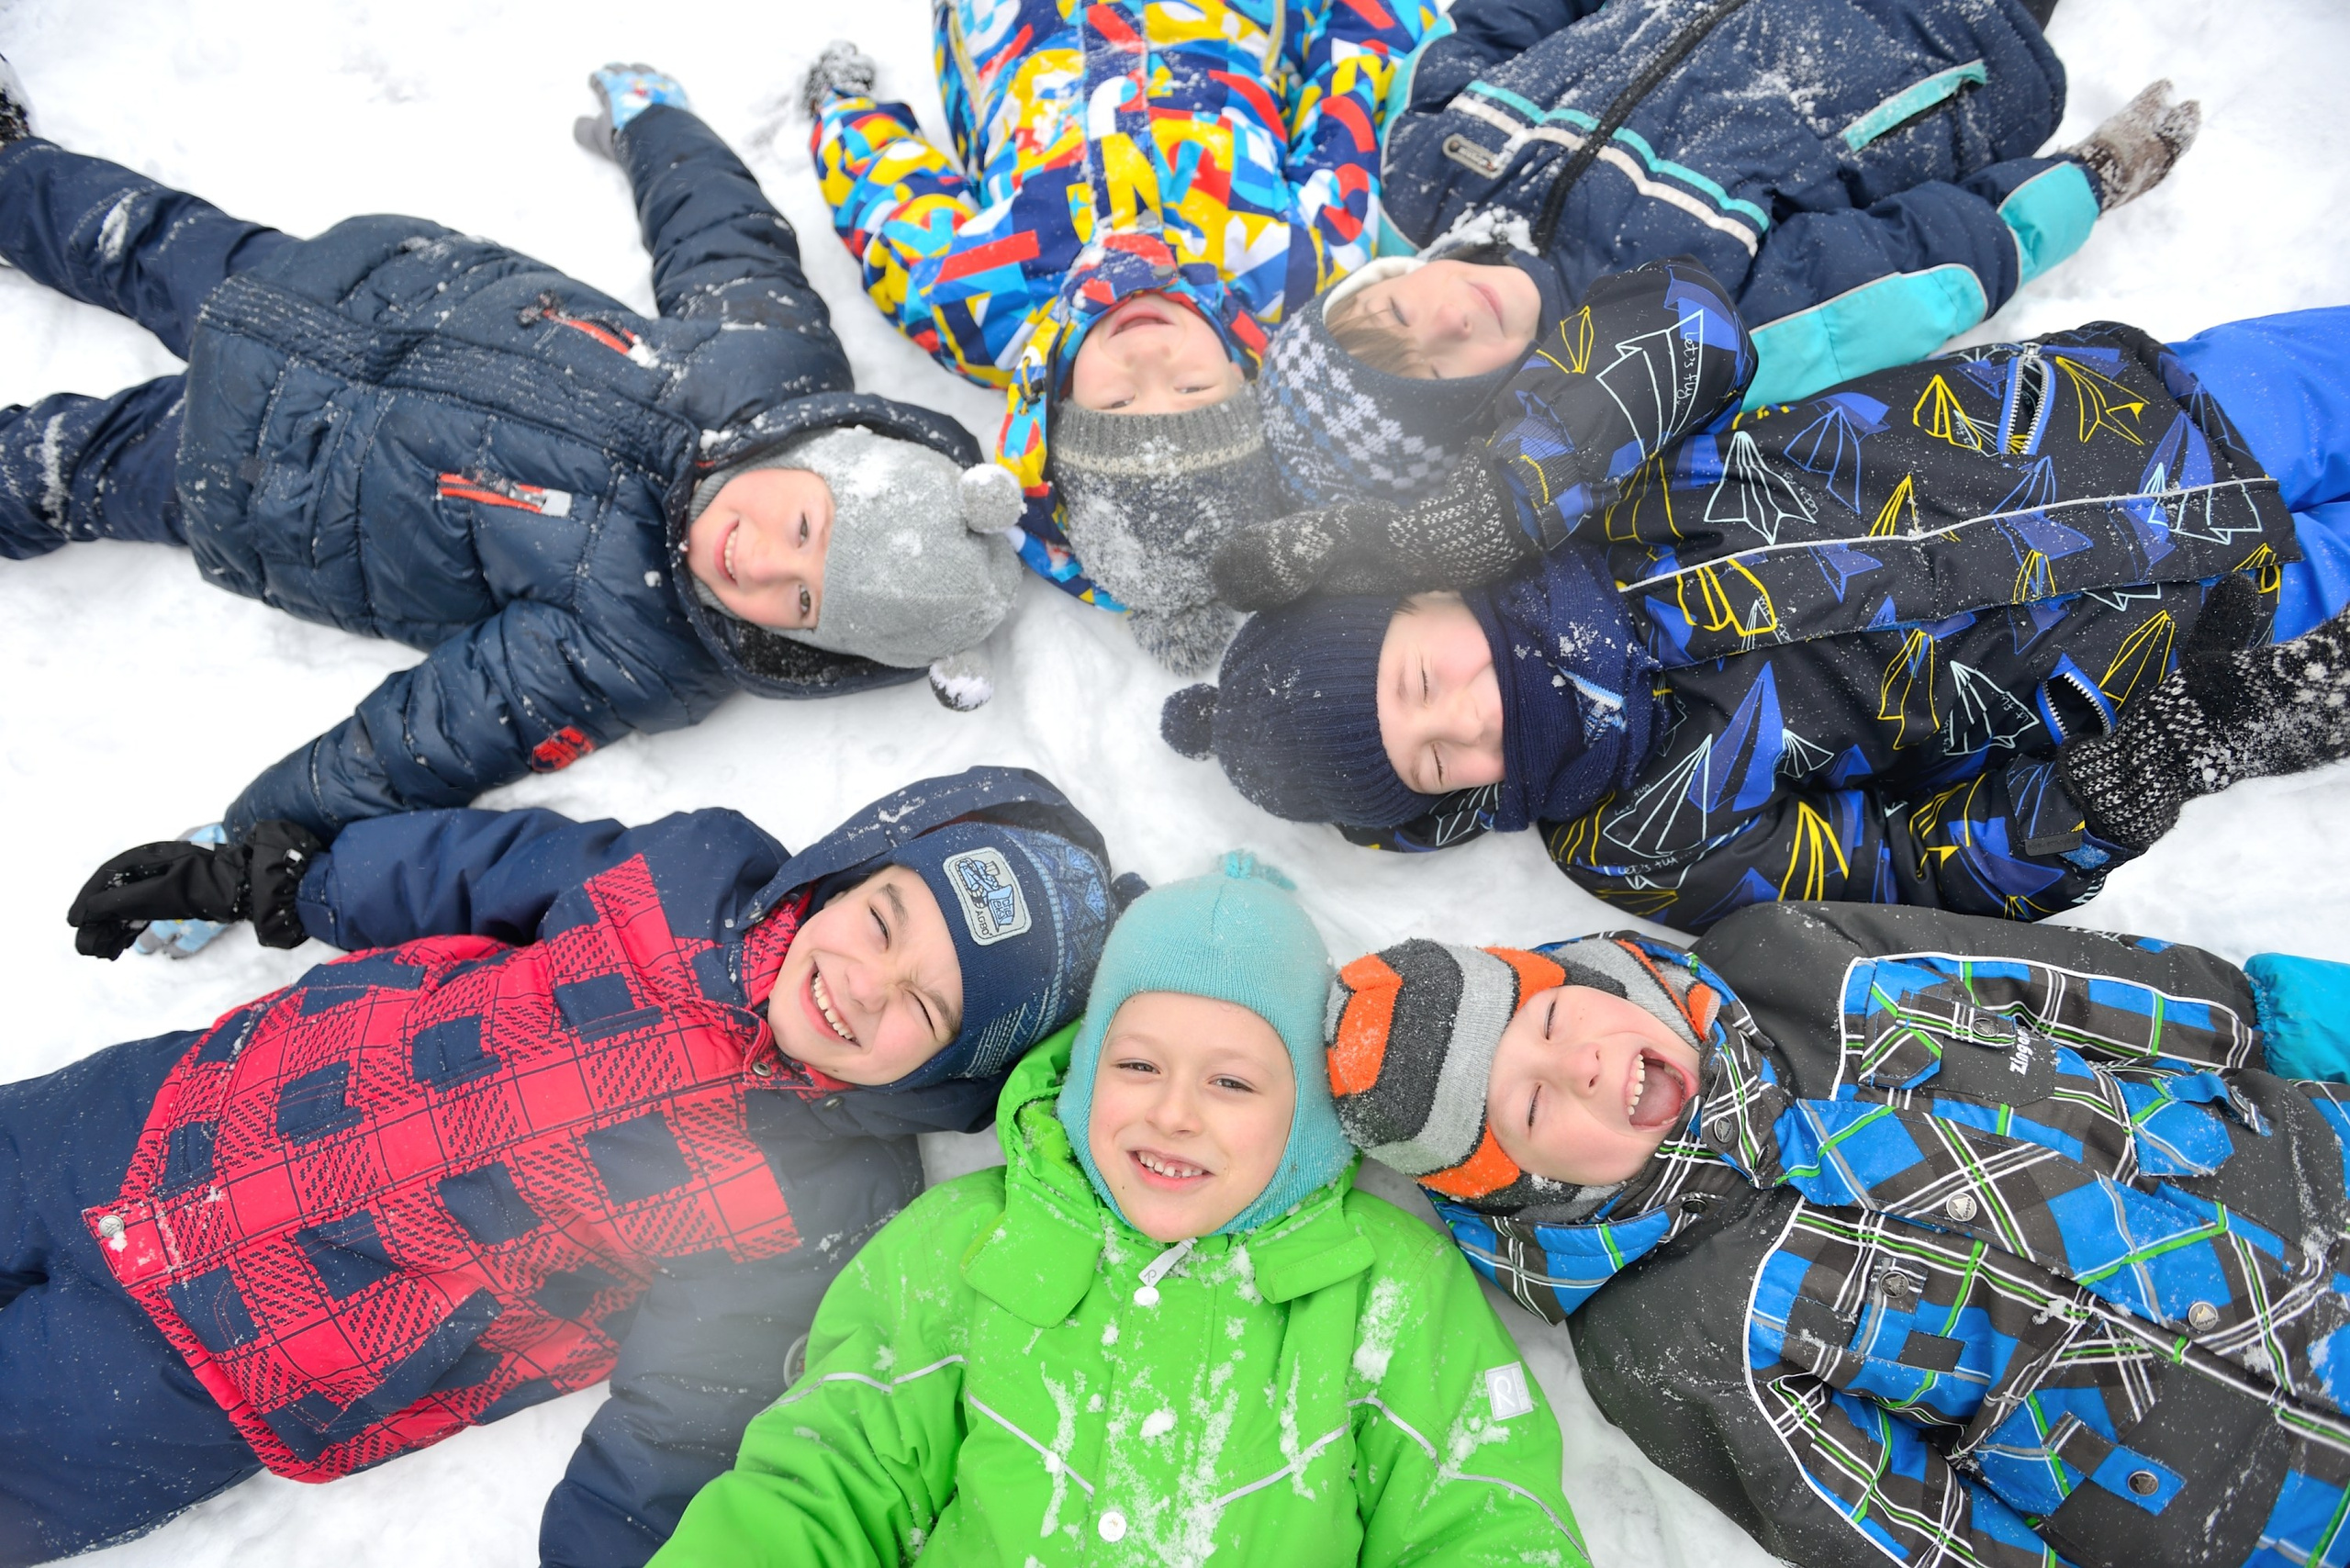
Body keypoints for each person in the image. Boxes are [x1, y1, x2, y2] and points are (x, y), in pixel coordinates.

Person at [0, 62, 1026, 956]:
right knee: (140, 236)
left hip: (261, 474)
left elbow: (430, 737)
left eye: (798, 604)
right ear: (823, 455)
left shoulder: (637, 644)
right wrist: (657, 124)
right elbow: (720, 230)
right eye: (803, 530)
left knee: (66, 467)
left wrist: (247, 843)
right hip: (343, 288)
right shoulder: (770, 361)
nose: (756, 565)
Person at [4, 767, 1122, 1567]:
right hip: (162, 1116)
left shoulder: (815, 1203)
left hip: (232, 1358)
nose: (865, 985)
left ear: (947, 1073)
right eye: (883, 920)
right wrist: (262, 881)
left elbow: (682, 1415)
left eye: (922, 1007)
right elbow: (476, 871)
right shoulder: (687, 872)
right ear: (846, 875)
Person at [1167, 258, 2350, 931]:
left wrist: (1506, 502)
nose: (1462, 720)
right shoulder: (1631, 837)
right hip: (2218, 631)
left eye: (1418, 682)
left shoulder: (1584, 500)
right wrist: (2116, 787)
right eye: (1431, 761)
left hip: (2167, 412)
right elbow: (1908, 872)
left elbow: (1684, 322)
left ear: (1425, 598)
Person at [1322, 902, 2350, 1567]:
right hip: (2256, 1498)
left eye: (1550, 1027)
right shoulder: (1668, 1334)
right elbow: (1896, 1526)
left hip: (2311, 1176)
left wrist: (2269, 1020)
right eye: (1534, 1111)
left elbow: (2054, 985)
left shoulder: (1794, 967)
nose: (1581, 1069)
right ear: (1528, 1196)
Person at [651, 854, 1585, 1567]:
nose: (1172, 1112)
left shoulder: (1383, 1285)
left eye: (1231, 1081)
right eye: (1136, 1066)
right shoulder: (968, 1242)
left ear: (1302, 1119)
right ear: (1086, 1073)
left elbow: (1478, 1513)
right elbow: (829, 1474)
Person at [1254, 0, 2201, 509]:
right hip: (1943, 29)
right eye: (1442, 372)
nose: (1449, 317)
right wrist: (2085, 181)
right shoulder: (1676, 330)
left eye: (1393, 317)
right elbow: (1920, 274)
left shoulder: (1429, 163)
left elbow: (1500, 23)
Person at [800, 0, 1439, 674]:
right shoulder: (1289, 265)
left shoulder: (977, 307)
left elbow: (887, 204)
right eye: (1191, 387)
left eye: (1117, 405)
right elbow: (1352, 95)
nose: (1145, 355)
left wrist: (841, 110)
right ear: (1246, 382)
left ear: (1061, 418)